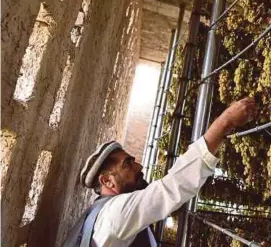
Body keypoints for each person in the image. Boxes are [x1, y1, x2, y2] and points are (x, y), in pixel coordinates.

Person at [63, 97, 258, 247]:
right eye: (128, 164)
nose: (139, 167)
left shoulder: (101, 218)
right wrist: (224, 121)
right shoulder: (115, 214)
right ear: (108, 181)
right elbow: (171, 188)